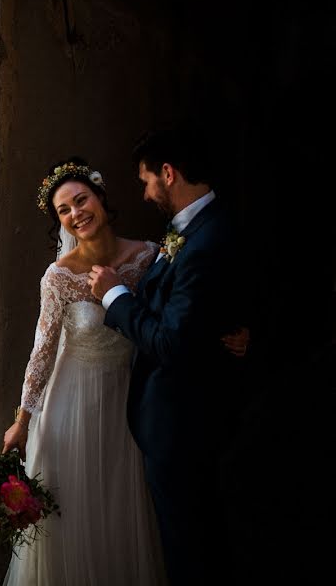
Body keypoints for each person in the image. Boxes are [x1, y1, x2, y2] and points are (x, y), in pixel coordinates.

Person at [1, 156, 247, 586]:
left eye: (82, 200)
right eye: (64, 210)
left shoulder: (150, 255)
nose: (76, 213)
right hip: (72, 404)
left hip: (131, 403)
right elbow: (41, 352)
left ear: (100, 198)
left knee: (120, 510)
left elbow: (177, 323)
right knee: (76, 512)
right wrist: (22, 421)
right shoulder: (57, 277)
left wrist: (235, 333)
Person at [89, 127, 247, 585]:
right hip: (182, 417)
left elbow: (170, 343)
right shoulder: (194, 227)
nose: (144, 192)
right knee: (194, 538)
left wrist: (115, 296)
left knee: (188, 547)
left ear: (169, 173)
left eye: (147, 181)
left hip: (183, 423)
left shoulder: (206, 240)